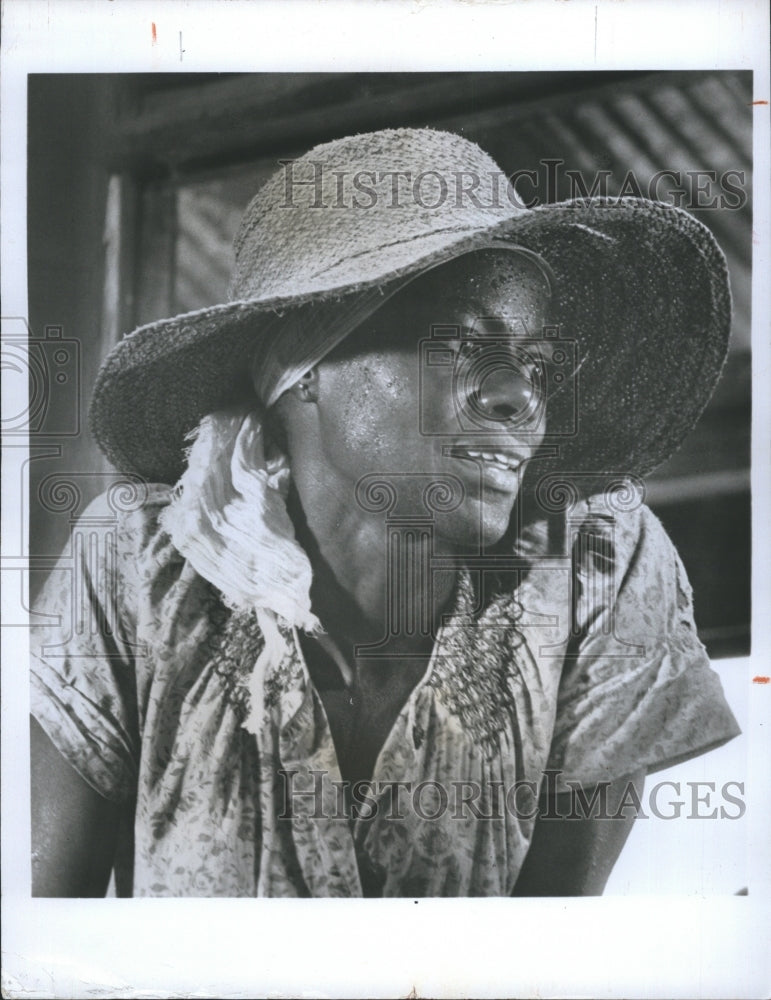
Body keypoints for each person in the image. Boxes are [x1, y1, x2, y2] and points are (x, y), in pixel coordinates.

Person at [30, 127, 740, 898]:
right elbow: (40, 936)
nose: (522, 396)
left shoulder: (593, 567)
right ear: (306, 366)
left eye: (535, 363)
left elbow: (550, 948)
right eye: (461, 341)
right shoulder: (140, 561)